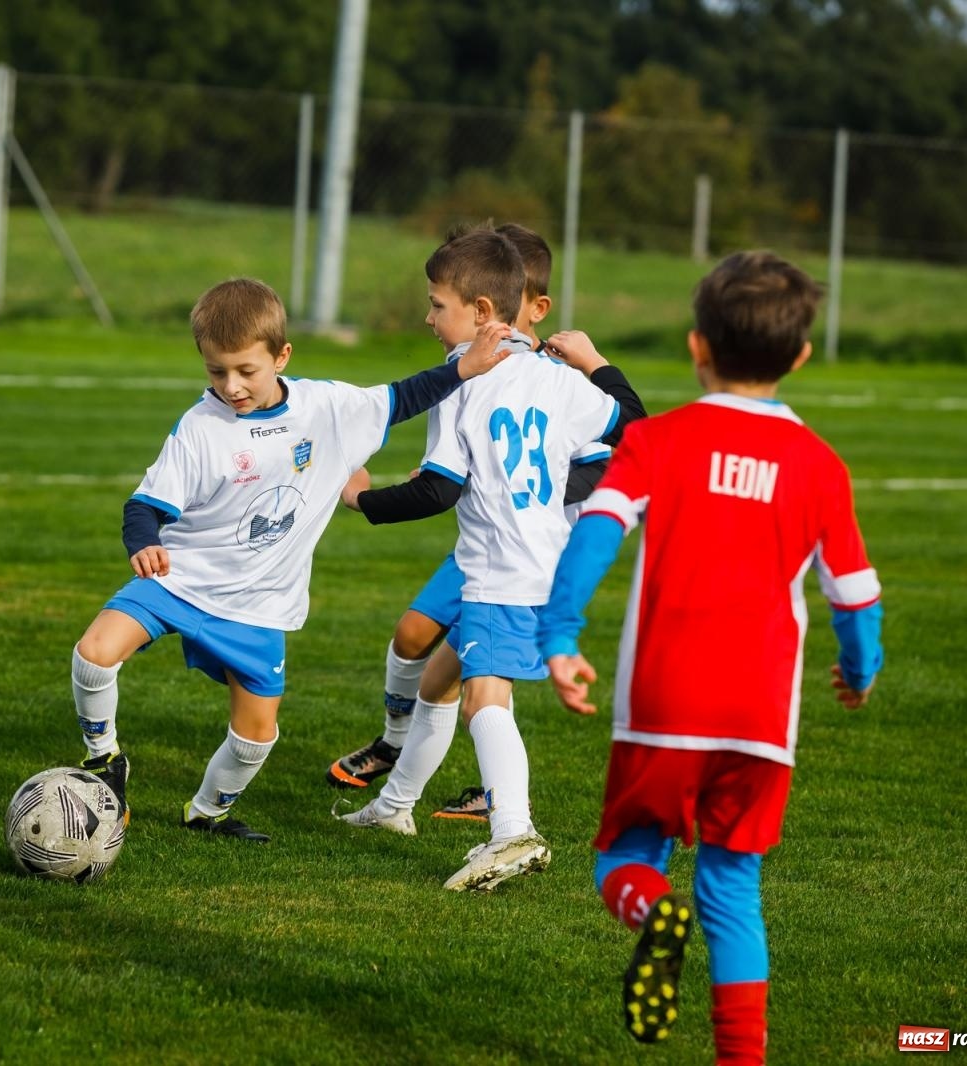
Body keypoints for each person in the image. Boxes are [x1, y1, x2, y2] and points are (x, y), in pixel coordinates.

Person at [536, 251, 883, 1063]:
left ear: (697, 348)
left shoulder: (659, 441)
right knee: (733, 892)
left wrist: (559, 637)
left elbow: (594, 535)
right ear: (800, 356)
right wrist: (859, 673)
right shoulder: (820, 466)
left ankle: (651, 910)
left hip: (663, 702)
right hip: (761, 720)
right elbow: (857, 598)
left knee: (625, 859)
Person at [67, 276, 513, 843]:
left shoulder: (327, 407)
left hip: (261, 605)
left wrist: (463, 368)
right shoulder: (200, 428)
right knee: (94, 652)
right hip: (181, 580)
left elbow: (402, 397)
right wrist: (144, 542)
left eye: (246, 371)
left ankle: (207, 812)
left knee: (256, 735)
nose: (230, 386)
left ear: (282, 356)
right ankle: (104, 761)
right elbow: (144, 505)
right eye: (215, 371)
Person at [332, 227, 628, 892]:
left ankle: (513, 831)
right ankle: (393, 807)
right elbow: (630, 427)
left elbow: (439, 489)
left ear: (482, 314)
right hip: (537, 562)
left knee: (485, 700)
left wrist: (362, 498)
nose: (428, 317)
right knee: (441, 680)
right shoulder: (557, 378)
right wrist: (596, 367)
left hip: (501, 568)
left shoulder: (463, 382)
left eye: (437, 305)